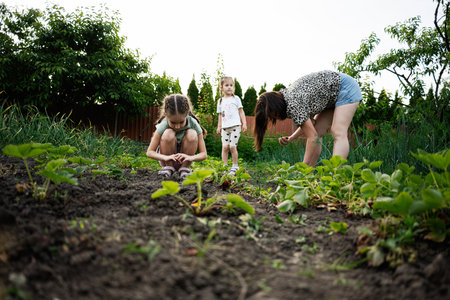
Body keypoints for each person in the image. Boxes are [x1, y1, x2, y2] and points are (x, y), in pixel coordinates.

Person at [253, 70, 362, 167]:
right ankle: (309, 174)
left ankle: (337, 175)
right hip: (331, 98)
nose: (274, 117)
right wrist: (291, 138)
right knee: (318, 132)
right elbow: (311, 124)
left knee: (338, 131)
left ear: (276, 106)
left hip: (345, 87)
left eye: (272, 114)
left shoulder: (293, 103)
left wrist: (303, 166)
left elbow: (312, 137)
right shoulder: (289, 99)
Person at [146, 94, 207, 178]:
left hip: (185, 161)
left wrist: (190, 158)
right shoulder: (164, 124)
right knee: (168, 133)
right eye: (173, 123)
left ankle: (184, 169)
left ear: (187, 114)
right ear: (166, 115)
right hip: (167, 160)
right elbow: (149, 152)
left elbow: (203, 154)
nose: (177, 127)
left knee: (192, 133)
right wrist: (166, 157)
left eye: (181, 122)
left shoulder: (193, 123)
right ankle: (168, 168)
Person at [216, 77, 247, 176]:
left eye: (231, 85)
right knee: (225, 147)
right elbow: (220, 114)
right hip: (225, 128)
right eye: (226, 85)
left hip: (235, 126)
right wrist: (219, 126)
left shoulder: (236, 98)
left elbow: (241, 111)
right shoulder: (220, 101)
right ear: (221, 88)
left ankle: (235, 166)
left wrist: (244, 123)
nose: (229, 87)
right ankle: (224, 166)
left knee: (233, 147)